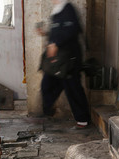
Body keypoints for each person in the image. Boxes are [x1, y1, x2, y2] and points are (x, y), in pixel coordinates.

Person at [37, 0, 90, 129]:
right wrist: (46, 34)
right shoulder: (57, 12)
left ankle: (83, 120)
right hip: (59, 60)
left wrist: (56, 43)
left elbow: (72, 29)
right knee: (48, 84)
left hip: (70, 58)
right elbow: (59, 30)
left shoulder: (68, 8)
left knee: (73, 88)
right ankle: (47, 111)